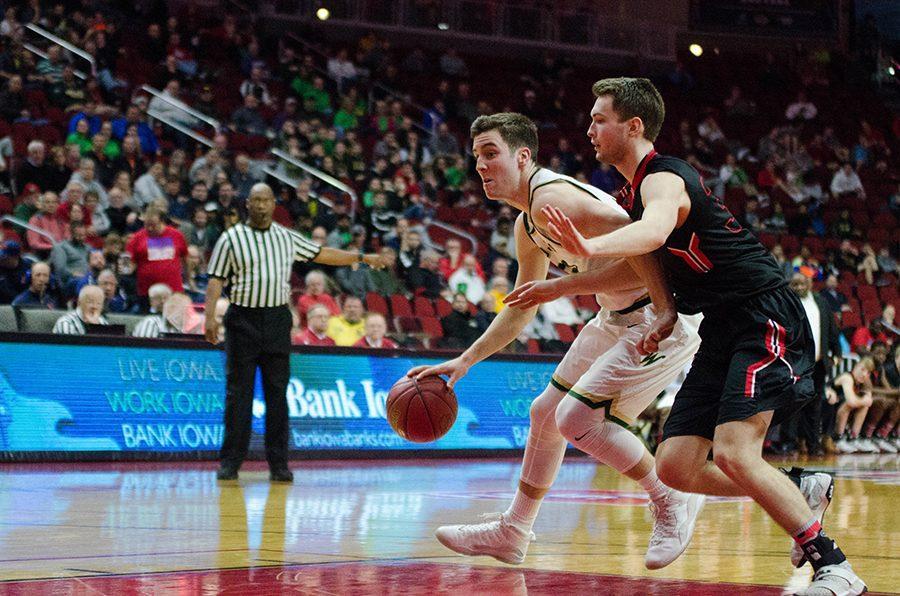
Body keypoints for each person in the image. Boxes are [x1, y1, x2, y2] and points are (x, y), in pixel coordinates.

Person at [539, 78, 864, 594]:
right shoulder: (632, 193)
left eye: (600, 119)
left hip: (763, 316)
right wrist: (662, 312)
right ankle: (800, 488)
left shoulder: (665, 178)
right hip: (721, 327)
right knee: (675, 466)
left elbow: (652, 231)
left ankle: (836, 567)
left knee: (736, 452)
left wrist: (589, 244)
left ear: (634, 125)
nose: (590, 128)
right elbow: (646, 266)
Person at [408, 113, 703, 569]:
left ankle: (672, 499)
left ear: (523, 156)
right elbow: (523, 305)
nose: (481, 166)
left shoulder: (557, 197)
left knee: (576, 419)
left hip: (661, 314)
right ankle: (514, 531)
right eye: (476, 158)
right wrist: (464, 361)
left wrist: (564, 288)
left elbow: (649, 254)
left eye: (491, 154)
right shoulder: (527, 226)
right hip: (616, 316)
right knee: (544, 414)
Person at [204, 183, 384, 483]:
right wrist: (210, 318)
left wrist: (360, 257)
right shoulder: (231, 238)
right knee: (239, 395)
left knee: (278, 395)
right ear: (247, 204)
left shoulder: (286, 237)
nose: (261, 206)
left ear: (274, 205)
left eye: (266, 201)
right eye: (256, 200)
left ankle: (279, 464)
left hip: (276, 319)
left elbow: (323, 254)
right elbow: (215, 280)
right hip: (242, 320)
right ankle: (230, 462)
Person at [778, 273, 842, 456]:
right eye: (794, 284)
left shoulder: (821, 302)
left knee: (815, 404)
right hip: (794, 362)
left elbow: (831, 329)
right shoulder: (786, 303)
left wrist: (836, 354)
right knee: (792, 401)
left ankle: (813, 444)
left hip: (818, 362)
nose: (798, 287)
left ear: (810, 283)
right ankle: (788, 443)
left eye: (801, 284)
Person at [126, 205, 188, 311]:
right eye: (147, 225)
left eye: (153, 225)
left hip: (173, 289)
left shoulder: (176, 235)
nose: (149, 228)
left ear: (162, 222)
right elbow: (129, 263)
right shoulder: (137, 238)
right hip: (147, 292)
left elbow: (185, 258)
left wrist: (188, 278)